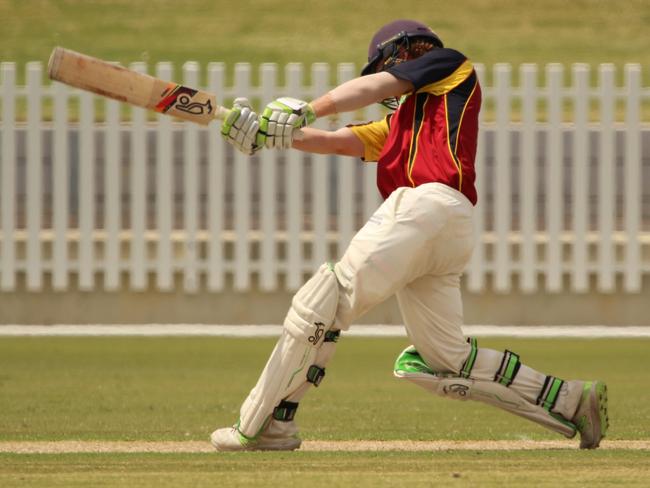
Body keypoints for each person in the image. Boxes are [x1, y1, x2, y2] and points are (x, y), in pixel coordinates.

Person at [211, 19, 609, 451]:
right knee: (446, 359)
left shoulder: (449, 64)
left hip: (427, 206)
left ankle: (268, 423)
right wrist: (267, 134)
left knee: (327, 297)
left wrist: (307, 107)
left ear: (402, 53)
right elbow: (334, 141)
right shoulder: (403, 121)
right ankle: (571, 399)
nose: (389, 85)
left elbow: (371, 90)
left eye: (385, 68)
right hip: (449, 227)